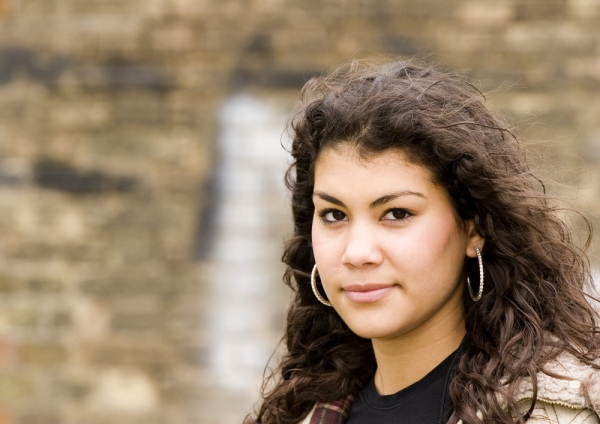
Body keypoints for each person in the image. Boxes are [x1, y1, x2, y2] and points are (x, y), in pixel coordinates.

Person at [246, 59, 600, 424]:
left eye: (397, 213)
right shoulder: (301, 412)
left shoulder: (563, 412)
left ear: (473, 227)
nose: (357, 253)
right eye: (334, 215)